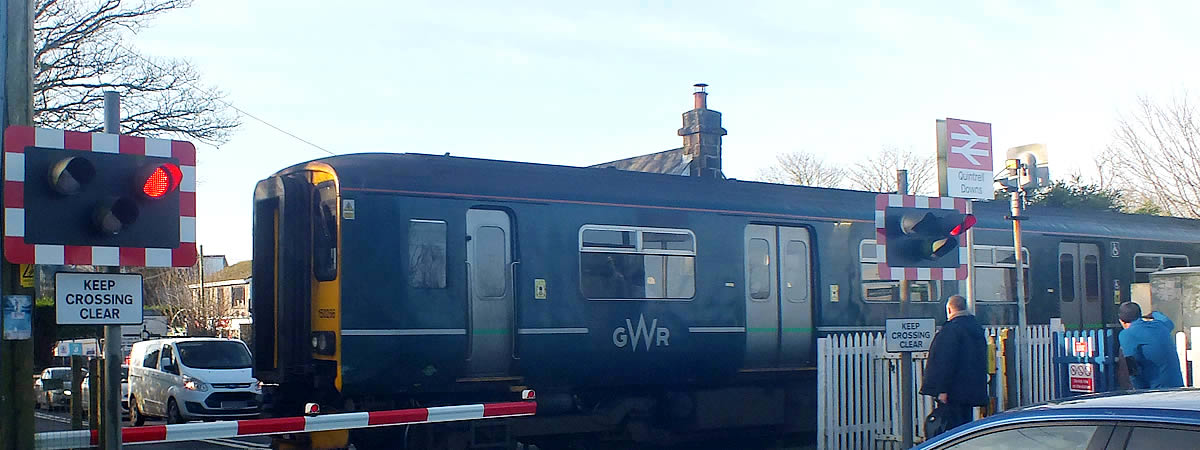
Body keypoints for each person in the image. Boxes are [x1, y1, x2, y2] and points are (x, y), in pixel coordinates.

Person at [920, 295, 988, 433]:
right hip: (970, 391)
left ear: (949, 310)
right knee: (964, 427)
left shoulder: (951, 330)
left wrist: (942, 389)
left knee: (951, 430)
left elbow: (945, 362)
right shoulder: (976, 329)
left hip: (953, 392)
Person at [1117, 302, 1184, 389]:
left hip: (1155, 390)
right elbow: (1168, 321)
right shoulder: (1160, 325)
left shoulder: (1126, 334)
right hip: (1177, 385)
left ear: (1121, 321)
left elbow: (1132, 365)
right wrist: (1154, 313)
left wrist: (1138, 390)